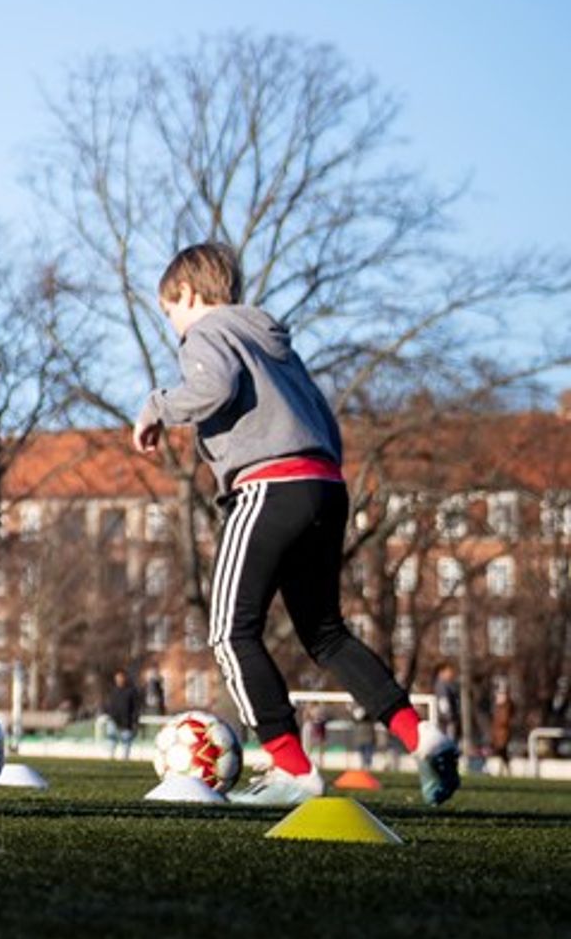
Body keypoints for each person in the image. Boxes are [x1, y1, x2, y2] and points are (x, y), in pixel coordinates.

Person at [132, 240, 461, 806]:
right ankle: (422, 735)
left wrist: (157, 405)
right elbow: (323, 419)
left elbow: (214, 389)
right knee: (326, 634)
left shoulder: (208, 333)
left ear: (188, 293)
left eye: (170, 312)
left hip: (269, 484)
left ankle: (292, 769)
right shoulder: (276, 346)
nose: (174, 327)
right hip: (326, 487)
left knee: (230, 632)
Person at [103, 667, 144, 761]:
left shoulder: (131, 691)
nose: (119, 680)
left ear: (125, 678)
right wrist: (109, 713)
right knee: (111, 738)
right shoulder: (113, 690)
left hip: (127, 720)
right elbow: (109, 704)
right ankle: (111, 756)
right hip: (113, 719)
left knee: (126, 740)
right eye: (117, 678)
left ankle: (125, 758)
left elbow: (136, 707)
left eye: (121, 677)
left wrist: (134, 720)